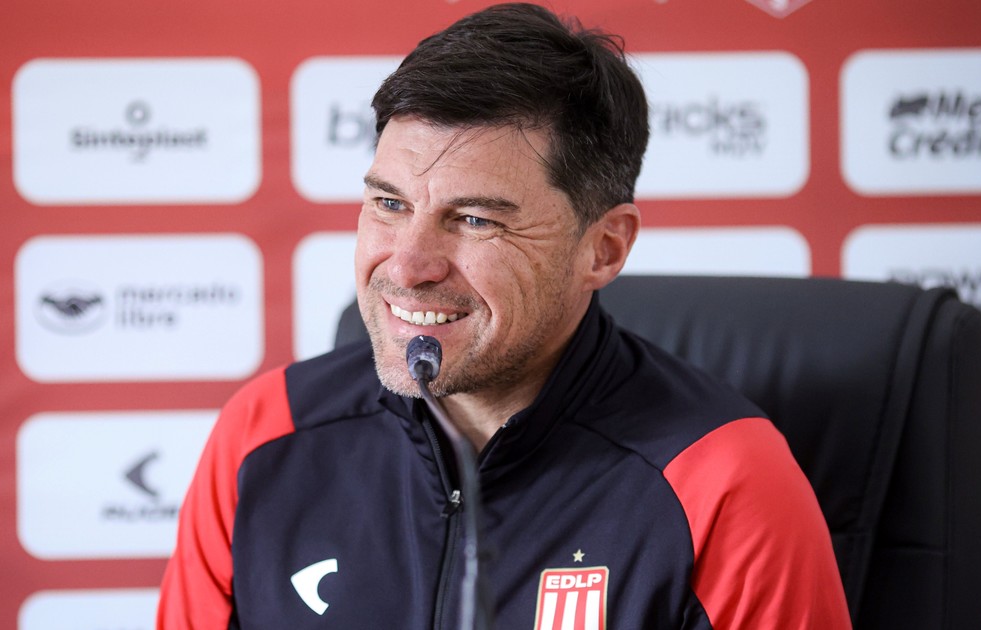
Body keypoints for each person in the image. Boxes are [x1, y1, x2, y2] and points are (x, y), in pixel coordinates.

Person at [158, 3, 850, 628]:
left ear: (604, 248)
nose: (407, 265)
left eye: (475, 219)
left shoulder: (724, 479)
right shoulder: (265, 433)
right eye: (390, 204)